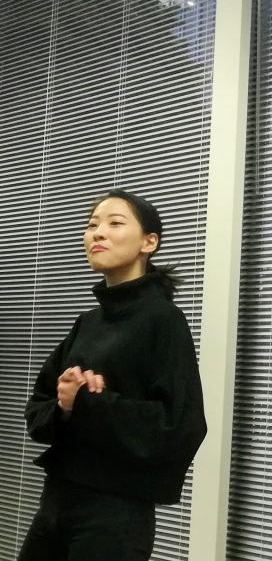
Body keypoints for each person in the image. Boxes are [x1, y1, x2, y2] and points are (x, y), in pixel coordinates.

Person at [19, 190, 206, 561]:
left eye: (115, 223)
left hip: (115, 514)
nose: (97, 233)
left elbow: (181, 426)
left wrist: (91, 402)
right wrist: (66, 404)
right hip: (55, 501)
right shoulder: (87, 322)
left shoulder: (163, 321)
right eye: (92, 225)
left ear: (148, 242)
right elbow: (38, 412)